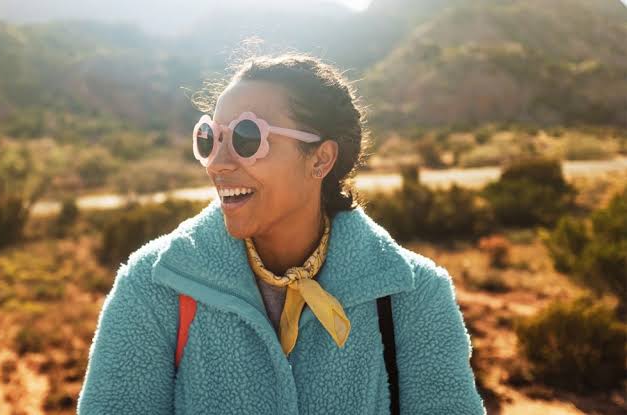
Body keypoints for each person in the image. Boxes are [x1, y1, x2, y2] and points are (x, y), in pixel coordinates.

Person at [77, 52, 486, 414]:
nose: (217, 163)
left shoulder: (412, 295)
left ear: (321, 159)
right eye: (210, 138)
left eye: (246, 138)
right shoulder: (154, 287)